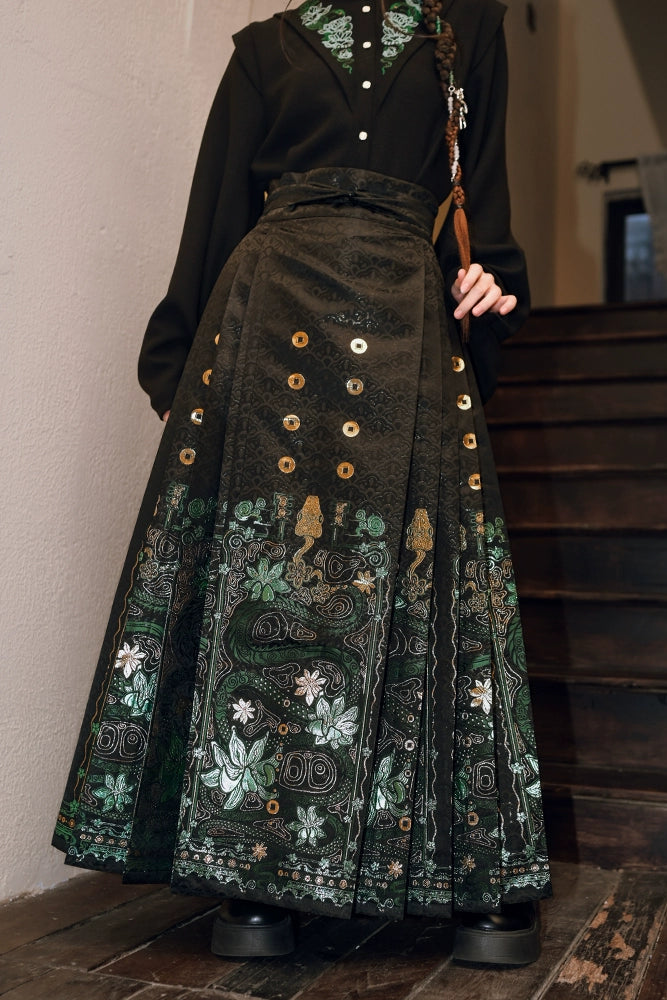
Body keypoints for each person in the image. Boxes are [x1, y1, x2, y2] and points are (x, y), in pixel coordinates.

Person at [53, 0, 552, 967]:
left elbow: (479, 185)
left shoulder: (466, 30)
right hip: (269, 320)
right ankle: (252, 874)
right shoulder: (262, 49)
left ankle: (470, 870)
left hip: (409, 318)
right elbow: (215, 214)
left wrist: (492, 278)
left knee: (433, 584)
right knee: (270, 587)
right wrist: (182, 367)